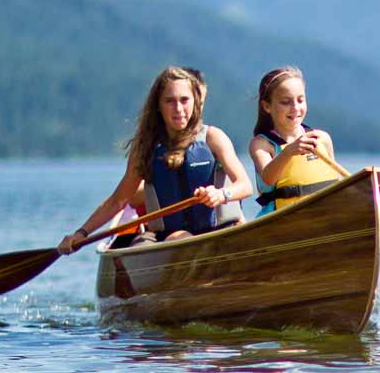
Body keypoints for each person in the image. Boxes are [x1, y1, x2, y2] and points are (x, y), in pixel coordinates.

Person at [58, 66, 251, 254]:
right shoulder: (146, 149)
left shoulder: (214, 137)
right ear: (158, 105)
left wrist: (221, 194)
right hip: (172, 237)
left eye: (184, 100)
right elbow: (118, 202)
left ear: (195, 101)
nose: (178, 109)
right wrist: (81, 233)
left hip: (218, 231)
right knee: (182, 238)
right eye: (170, 101)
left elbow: (245, 186)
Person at [247, 66, 380, 225]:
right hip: (285, 224)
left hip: (326, 220)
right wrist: (288, 152)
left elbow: (339, 188)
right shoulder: (261, 144)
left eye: (300, 100)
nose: (295, 108)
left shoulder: (321, 139)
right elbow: (268, 178)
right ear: (267, 106)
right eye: (285, 102)